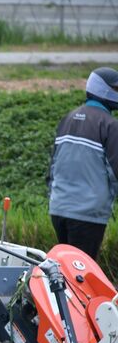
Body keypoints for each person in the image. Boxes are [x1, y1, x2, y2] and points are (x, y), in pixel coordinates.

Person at [47, 67, 118, 260]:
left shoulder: (67, 119)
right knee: (81, 274)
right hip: (88, 214)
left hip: (58, 209)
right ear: (102, 89)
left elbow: (52, 169)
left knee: (65, 272)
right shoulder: (110, 125)